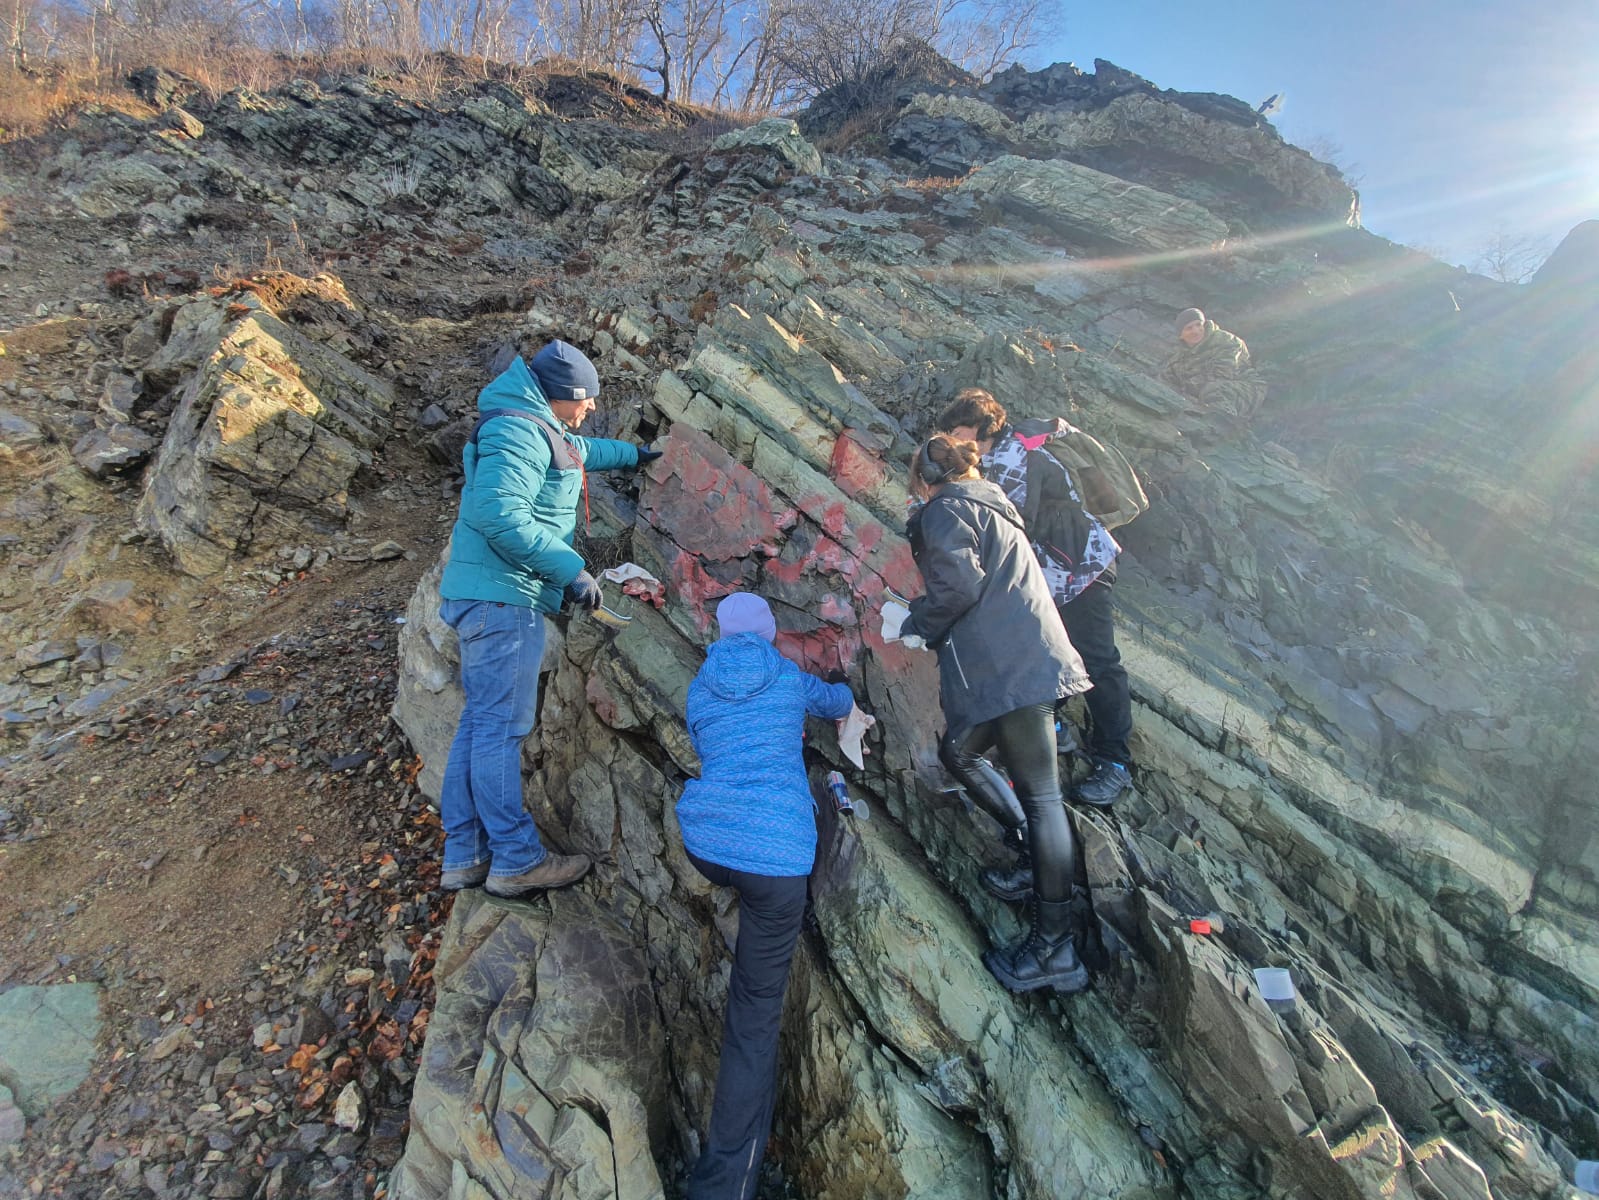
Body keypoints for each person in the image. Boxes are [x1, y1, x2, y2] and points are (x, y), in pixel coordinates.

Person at [436, 340, 661, 899]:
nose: (588, 409)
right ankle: (515, 858)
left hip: (487, 595)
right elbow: (498, 514)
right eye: (584, 400)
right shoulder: (516, 431)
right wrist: (569, 570)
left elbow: (577, 449)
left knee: (478, 727)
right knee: (498, 732)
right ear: (560, 394)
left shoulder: (532, 423)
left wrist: (635, 455)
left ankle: (465, 854)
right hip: (502, 601)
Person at [891, 434, 1094, 994]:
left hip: (1015, 667)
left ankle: (1056, 948)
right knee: (961, 752)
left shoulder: (944, 509)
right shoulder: (988, 504)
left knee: (1043, 796)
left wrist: (917, 624)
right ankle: (1033, 855)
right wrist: (917, 613)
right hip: (1025, 656)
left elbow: (959, 585)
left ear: (923, 478)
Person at [674, 592, 857, 1200]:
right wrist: (839, 691)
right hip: (775, 862)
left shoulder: (701, 688)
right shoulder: (787, 678)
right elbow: (839, 702)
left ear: (722, 636)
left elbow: (707, 745)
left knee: (743, 894)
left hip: (708, 842)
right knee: (753, 1021)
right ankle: (726, 1184)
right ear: (771, 633)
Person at [938, 388, 1134, 811]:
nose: (954, 438)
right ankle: (1054, 725)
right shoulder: (994, 458)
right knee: (1049, 653)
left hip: (1081, 570)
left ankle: (1115, 762)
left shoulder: (1013, 457)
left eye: (959, 429)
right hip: (1056, 574)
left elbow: (1004, 525)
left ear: (982, 426)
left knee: (1098, 660)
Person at [1160, 307, 1268, 421]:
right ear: (1181, 335)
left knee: (1213, 390)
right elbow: (1164, 382)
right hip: (1205, 393)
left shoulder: (1227, 341)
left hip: (1247, 388)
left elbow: (1223, 373)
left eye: (1198, 325)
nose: (1196, 331)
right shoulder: (1178, 359)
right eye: (1189, 328)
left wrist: (1188, 389)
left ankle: (1226, 425)